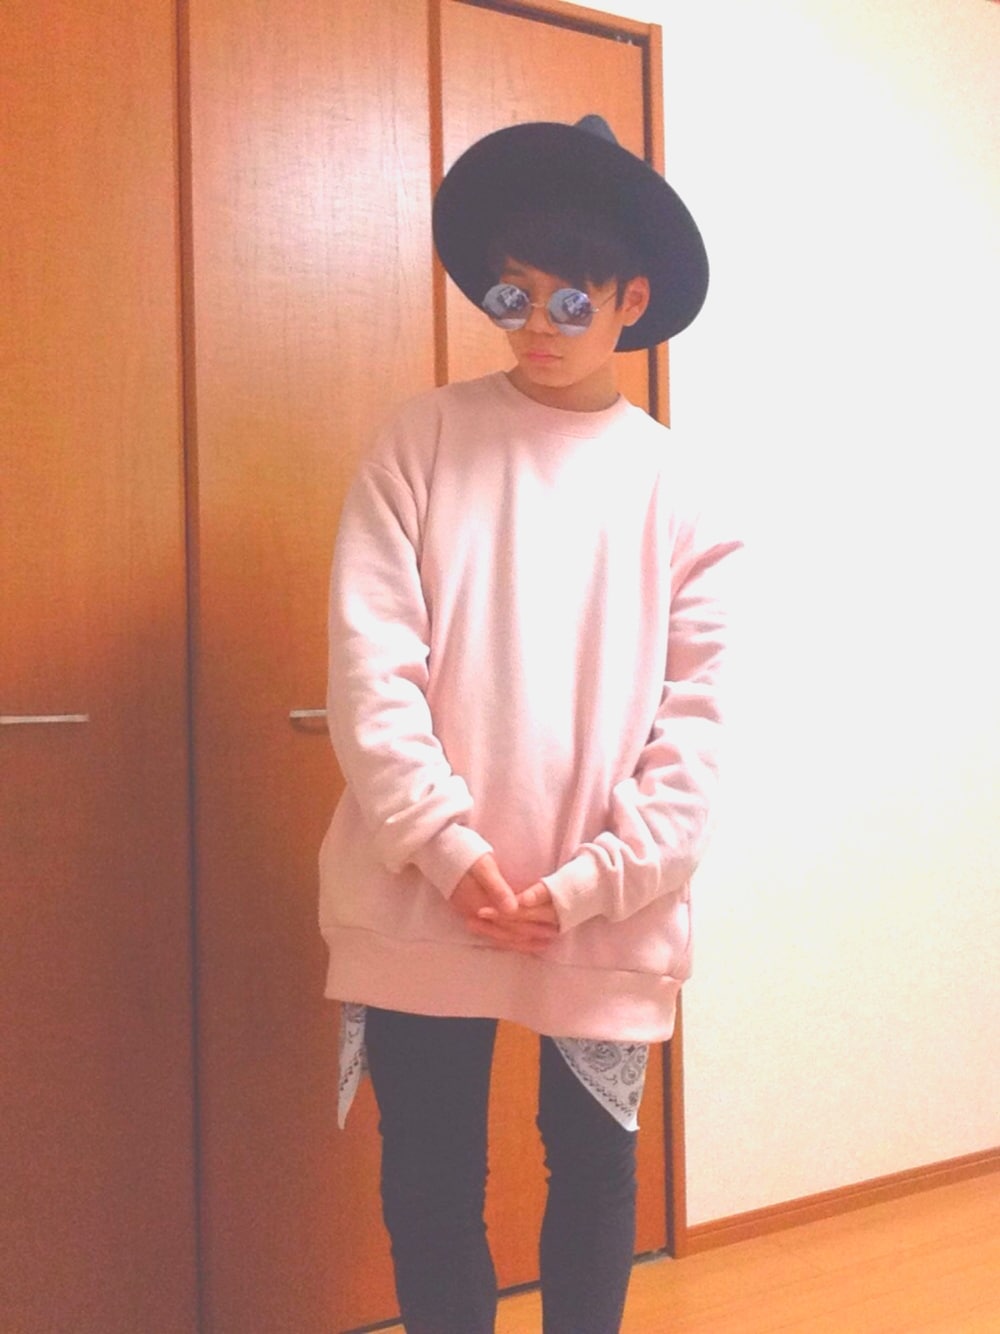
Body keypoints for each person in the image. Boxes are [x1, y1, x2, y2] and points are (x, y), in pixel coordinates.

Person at [320, 114, 742, 1334]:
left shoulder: (682, 488)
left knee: (595, 1172)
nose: (536, 327)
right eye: (513, 296)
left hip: (603, 905)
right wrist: (447, 846)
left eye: (570, 301)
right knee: (429, 1177)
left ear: (630, 300)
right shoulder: (418, 441)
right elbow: (370, 668)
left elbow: (696, 726)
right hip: (422, 889)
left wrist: (593, 881)